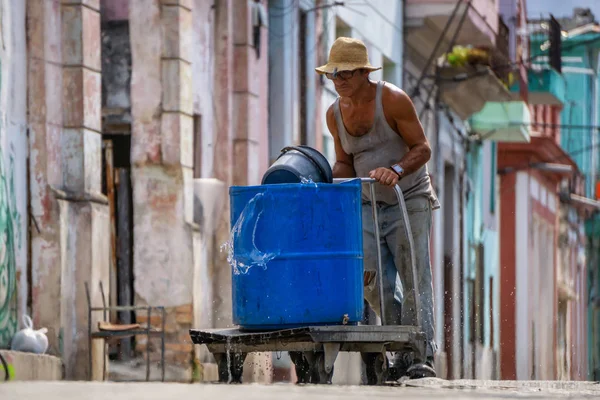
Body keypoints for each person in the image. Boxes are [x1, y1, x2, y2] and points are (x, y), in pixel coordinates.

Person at [315, 37, 440, 380]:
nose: (338, 81)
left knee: (415, 276)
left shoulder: (393, 100)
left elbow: (423, 148)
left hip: (409, 198)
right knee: (371, 282)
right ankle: (399, 342)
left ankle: (419, 353)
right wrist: (325, 182)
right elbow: (344, 162)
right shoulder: (334, 114)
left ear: (363, 73)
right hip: (368, 203)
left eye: (344, 74)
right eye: (332, 75)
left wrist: (396, 170)